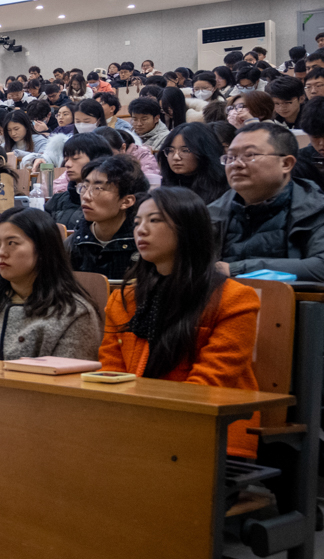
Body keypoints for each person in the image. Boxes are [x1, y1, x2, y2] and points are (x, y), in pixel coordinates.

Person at [102, 187, 261, 457]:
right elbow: (111, 372)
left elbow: (211, 381)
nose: (141, 230)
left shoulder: (235, 299)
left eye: (154, 220)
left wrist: (146, 424)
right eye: (137, 222)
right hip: (134, 426)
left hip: (208, 433)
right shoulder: (124, 299)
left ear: (188, 228)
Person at [0, 208, 99, 359]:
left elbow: (69, 381)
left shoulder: (73, 312)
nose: (1, 252)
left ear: (43, 249)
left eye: (12, 243)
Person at [209, 122, 324, 281]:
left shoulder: (315, 207)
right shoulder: (210, 214)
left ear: (286, 164)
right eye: (231, 157)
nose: (236, 164)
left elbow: (320, 266)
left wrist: (237, 269)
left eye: (250, 155)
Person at [66, 154, 145, 279]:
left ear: (126, 201)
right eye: (84, 187)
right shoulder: (73, 245)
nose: (86, 196)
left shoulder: (143, 244)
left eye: (98, 188)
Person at [47, 133, 113, 228]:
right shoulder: (57, 200)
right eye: (66, 159)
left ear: (97, 159)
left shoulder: (109, 201)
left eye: (75, 159)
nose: (67, 164)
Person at [155, 122, 228, 203]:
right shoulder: (165, 186)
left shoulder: (223, 190)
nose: (176, 157)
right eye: (171, 150)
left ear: (204, 151)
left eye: (185, 150)